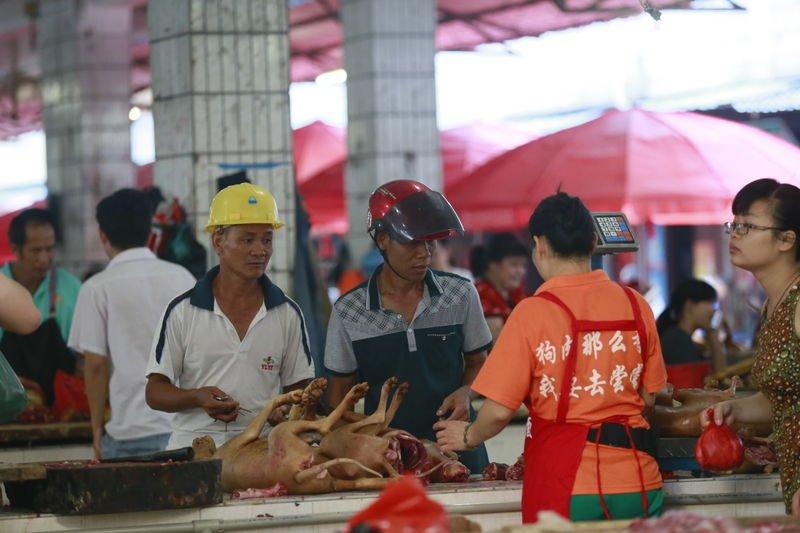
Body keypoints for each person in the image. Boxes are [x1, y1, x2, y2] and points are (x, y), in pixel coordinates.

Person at [435, 192, 667, 523]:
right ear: (593, 242)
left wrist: (468, 436)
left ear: (540, 245)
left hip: (568, 484)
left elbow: (499, 410)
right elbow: (650, 396)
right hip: (639, 479)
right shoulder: (636, 305)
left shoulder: (532, 313)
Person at [323, 180, 493, 474]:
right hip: (389, 461)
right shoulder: (349, 311)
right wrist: (367, 441)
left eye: (430, 242)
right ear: (382, 239)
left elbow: (480, 362)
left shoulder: (461, 295)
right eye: (412, 242)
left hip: (458, 451)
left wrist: (467, 392)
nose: (424, 253)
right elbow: (337, 401)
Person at [145, 183, 315, 449]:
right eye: (247, 240)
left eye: (267, 239)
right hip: (194, 449)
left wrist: (285, 409)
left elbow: (302, 388)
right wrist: (196, 397)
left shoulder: (286, 313)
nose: (260, 250)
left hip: (261, 451)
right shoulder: (183, 311)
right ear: (218, 242)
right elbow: (155, 392)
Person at [68, 189, 196, 459]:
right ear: (150, 231)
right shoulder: (183, 278)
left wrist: (96, 429)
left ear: (103, 236)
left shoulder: (96, 288)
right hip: (181, 429)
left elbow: (95, 365)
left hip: (128, 434)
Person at [702, 178, 800, 517]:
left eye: (748, 226)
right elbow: (783, 399)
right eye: (734, 224)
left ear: (787, 240)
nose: (735, 234)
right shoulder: (773, 306)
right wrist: (737, 410)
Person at [0, 208, 82, 405]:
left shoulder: (71, 288)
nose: (45, 259)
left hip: (61, 409)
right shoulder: (2, 289)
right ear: (15, 249)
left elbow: (84, 357)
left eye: (50, 249)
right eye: (36, 251)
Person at [656, 279, 727, 386]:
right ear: (689, 305)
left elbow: (721, 375)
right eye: (710, 303)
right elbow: (719, 376)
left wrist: (712, 335)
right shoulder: (677, 340)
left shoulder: (682, 337)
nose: (714, 310)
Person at [472, 233, 529, 340]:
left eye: (523, 265)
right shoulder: (479, 296)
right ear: (493, 265)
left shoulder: (518, 294)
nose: (521, 271)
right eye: (514, 264)